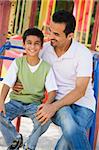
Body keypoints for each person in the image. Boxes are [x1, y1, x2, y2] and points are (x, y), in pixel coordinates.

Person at [9, 10, 96, 150]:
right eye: (50, 30)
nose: (50, 37)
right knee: (70, 126)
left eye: (56, 34)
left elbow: (80, 91)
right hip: (57, 102)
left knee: (66, 141)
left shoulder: (82, 53)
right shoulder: (44, 50)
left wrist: (52, 108)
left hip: (83, 104)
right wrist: (16, 83)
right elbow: (25, 67)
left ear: (70, 36)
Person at [0, 28, 57, 150]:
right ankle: (15, 139)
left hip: (34, 105)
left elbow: (52, 91)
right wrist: (1, 102)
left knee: (45, 121)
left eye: (36, 43)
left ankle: (29, 146)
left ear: (41, 46)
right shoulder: (18, 62)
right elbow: (6, 84)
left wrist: (47, 105)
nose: (32, 46)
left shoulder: (46, 68)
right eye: (29, 43)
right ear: (24, 44)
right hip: (15, 102)